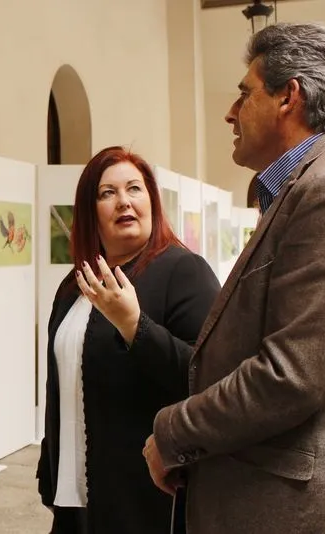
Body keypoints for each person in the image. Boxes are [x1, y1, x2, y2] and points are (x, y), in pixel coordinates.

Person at [134, 22, 325, 533]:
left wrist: (173, 431)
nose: (230, 112)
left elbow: (292, 375)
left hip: (314, 508)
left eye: (245, 94)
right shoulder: (309, 186)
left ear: (289, 97)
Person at [36, 146, 221, 533]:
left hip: (143, 499)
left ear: (151, 200)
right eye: (107, 193)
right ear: (91, 212)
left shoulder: (183, 271)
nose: (124, 202)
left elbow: (208, 377)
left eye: (134, 189)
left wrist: (136, 325)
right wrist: (48, 464)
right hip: (73, 499)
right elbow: (63, 384)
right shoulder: (74, 286)